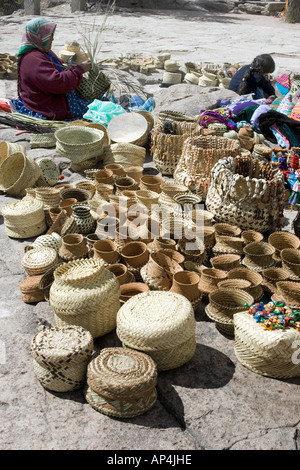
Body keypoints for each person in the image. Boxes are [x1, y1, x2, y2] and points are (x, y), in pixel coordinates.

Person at [12, 18, 92, 121]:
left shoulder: (43, 53)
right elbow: (57, 82)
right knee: (97, 108)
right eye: (50, 36)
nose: (52, 39)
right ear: (39, 37)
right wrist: (79, 70)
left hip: (53, 96)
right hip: (47, 105)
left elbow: (60, 66)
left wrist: (73, 66)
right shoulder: (33, 59)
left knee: (100, 100)